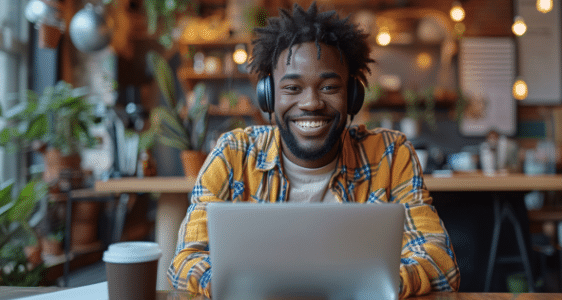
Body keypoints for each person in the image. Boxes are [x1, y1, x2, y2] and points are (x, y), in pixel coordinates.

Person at [168, 3, 461, 298]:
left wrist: (365, 285)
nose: (311, 103)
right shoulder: (234, 154)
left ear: (353, 96)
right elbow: (186, 261)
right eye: (292, 88)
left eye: (329, 87)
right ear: (268, 97)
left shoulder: (390, 153)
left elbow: (439, 262)